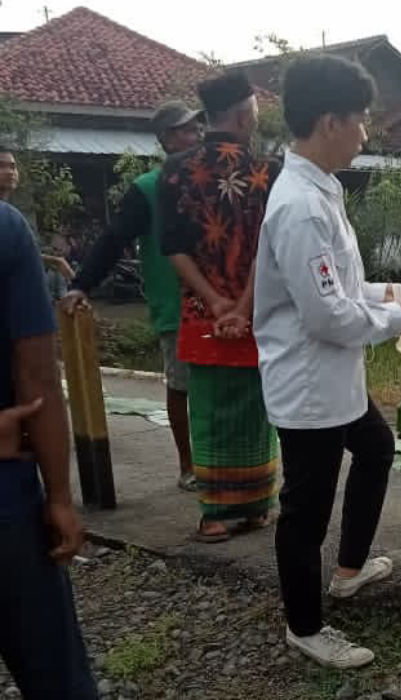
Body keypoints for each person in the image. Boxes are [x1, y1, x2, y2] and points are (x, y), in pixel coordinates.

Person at [253, 55, 401, 669]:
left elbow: (338, 287)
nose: (365, 132)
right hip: (309, 385)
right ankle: (304, 627)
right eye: (360, 121)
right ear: (330, 121)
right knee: (304, 511)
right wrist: (396, 319)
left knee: (377, 448)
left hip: (335, 382)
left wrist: (389, 293)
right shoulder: (299, 206)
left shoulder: (319, 191)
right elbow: (326, 315)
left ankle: (349, 570)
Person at [159, 72, 279, 543]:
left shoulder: (176, 169)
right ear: (246, 113)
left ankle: (214, 514)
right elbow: (271, 247)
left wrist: (215, 303)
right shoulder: (271, 169)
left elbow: (174, 247)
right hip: (258, 312)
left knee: (208, 410)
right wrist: (244, 307)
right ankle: (255, 508)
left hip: (201, 314)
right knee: (255, 408)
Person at [63, 101, 203, 491]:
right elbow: (114, 240)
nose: (194, 136)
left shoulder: (214, 179)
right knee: (181, 385)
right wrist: (81, 284)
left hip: (225, 304)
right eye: (185, 130)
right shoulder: (147, 189)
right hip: (177, 304)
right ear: (166, 140)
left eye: (196, 129)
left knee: (223, 387)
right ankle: (188, 465)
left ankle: (224, 463)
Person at [0, 200, 97, 698]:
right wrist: (59, 496)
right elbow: (37, 378)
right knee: (55, 676)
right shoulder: (5, 228)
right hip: (8, 494)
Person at [0, 147, 76, 286]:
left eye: (13, 167)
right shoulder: (10, 217)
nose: (10, 172)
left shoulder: (10, 215)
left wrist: (55, 261)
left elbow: (22, 254)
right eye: (1, 166)